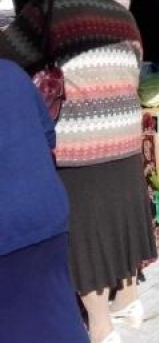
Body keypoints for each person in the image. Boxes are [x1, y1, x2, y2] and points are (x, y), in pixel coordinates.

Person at [0, 0, 157, 343]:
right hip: (123, 137)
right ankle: (129, 301)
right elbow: (135, 65)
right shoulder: (124, 16)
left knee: (85, 236)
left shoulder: (46, 8)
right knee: (121, 221)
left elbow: (6, 57)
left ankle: (101, 326)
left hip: (77, 144)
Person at [0, 60, 89, 343]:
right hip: (44, 213)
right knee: (58, 315)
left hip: (9, 231)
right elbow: (48, 135)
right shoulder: (11, 72)